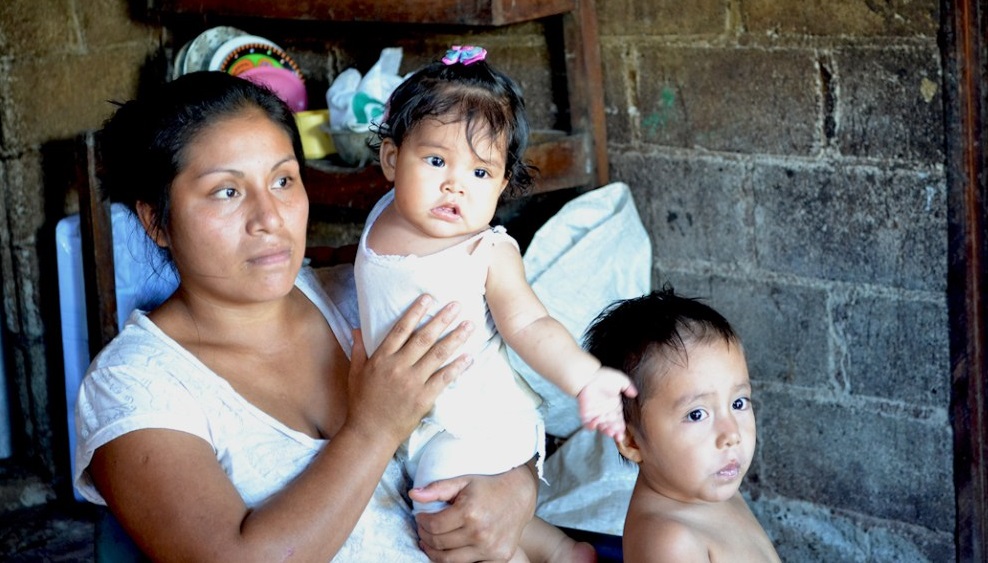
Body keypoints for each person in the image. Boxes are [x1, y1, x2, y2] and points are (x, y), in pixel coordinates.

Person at [73, 70, 546, 562]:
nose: (270, 218)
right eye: (226, 192)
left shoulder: (363, 297)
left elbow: (496, 406)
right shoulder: (134, 387)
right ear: (156, 221)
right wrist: (373, 429)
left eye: (282, 181)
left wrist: (516, 489)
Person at [354, 45, 632, 561]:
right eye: (436, 160)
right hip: (420, 415)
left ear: (503, 183)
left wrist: (585, 377)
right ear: (391, 160)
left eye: (480, 173)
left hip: (475, 418)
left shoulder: (486, 251)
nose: (455, 183)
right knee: (473, 515)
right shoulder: (387, 213)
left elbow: (530, 323)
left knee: (448, 526)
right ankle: (563, 551)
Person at [583, 288, 781, 562]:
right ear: (632, 441)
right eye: (697, 414)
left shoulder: (712, 488)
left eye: (738, 403)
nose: (731, 434)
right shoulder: (669, 541)